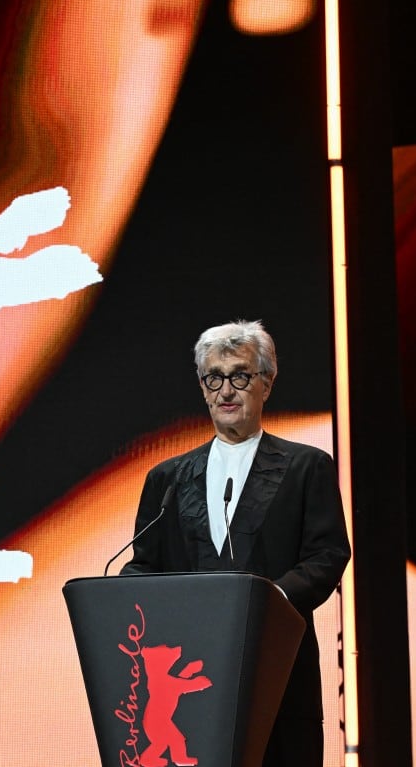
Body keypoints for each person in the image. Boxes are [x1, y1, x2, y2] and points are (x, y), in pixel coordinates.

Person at [121, 319, 352, 767]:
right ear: (204, 388)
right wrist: (129, 596)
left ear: (266, 384)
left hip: (278, 669)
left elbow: (328, 555)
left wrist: (272, 600)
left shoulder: (307, 468)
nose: (226, 390)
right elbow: (143, 564)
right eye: (214, 377)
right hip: (189, 673)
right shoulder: (167, 479)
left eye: (240, 375)